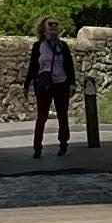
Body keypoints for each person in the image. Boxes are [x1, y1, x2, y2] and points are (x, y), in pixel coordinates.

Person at [28, 17, 76, 155]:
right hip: (44, 84)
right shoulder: (38, 46)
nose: (54, 26)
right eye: (50, 24)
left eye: (56, 24)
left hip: (61, 82)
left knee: (62, 115)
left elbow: (69, 65)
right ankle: (37, 147)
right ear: (43, 27)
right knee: (42, 116)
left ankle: (63, 143)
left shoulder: (63, 45)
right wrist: (27, 84)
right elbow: (33, 66)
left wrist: (72, 83)